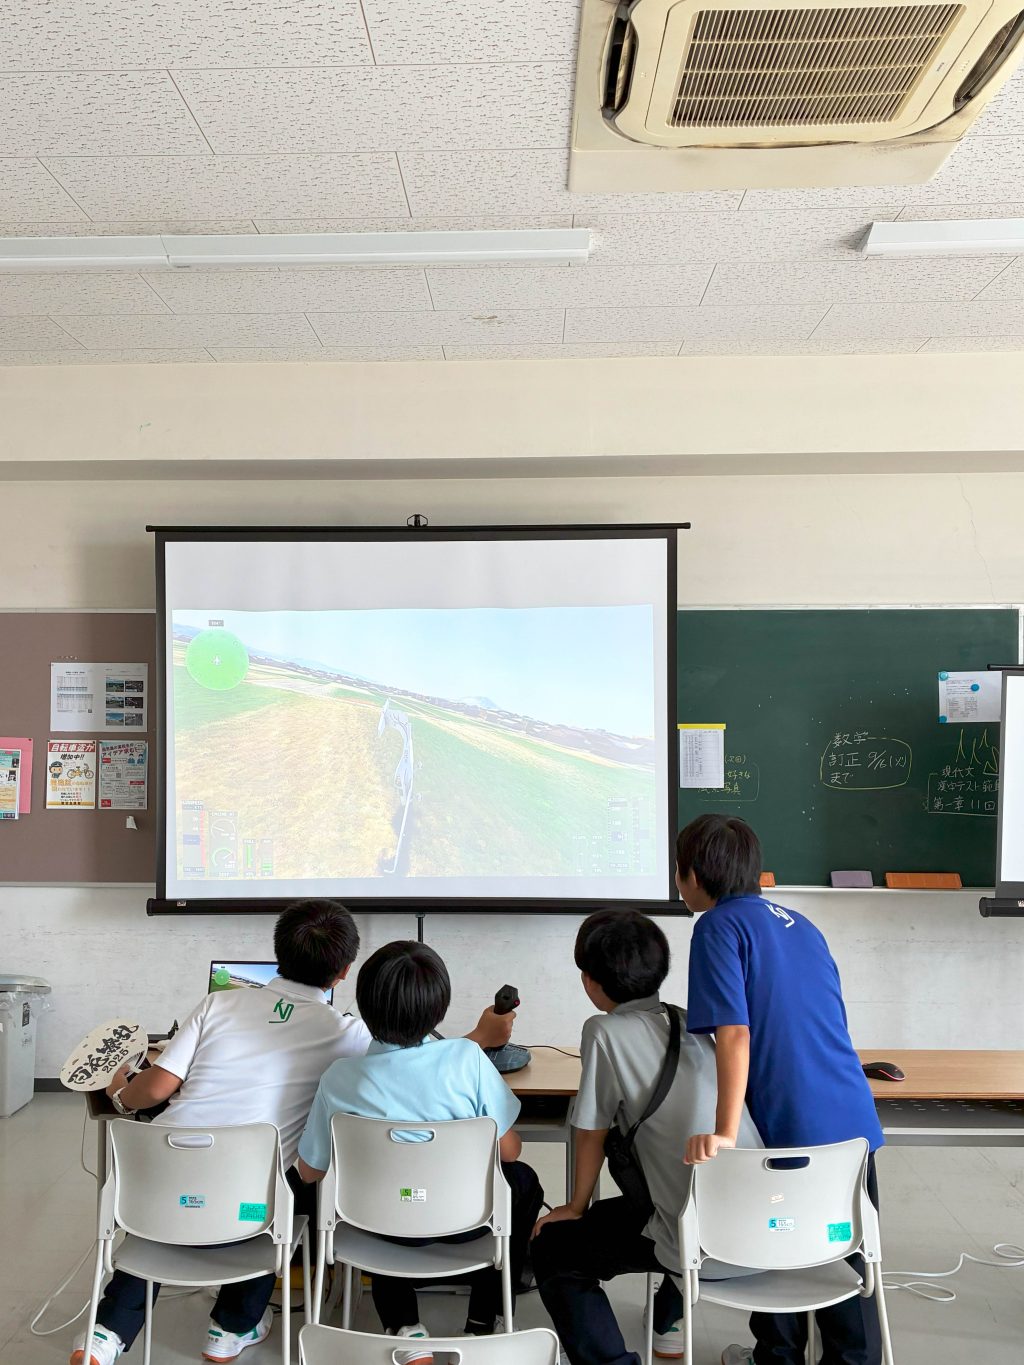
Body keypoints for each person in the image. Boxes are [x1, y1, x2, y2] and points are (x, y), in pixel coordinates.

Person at [72, 902, 514, 1365]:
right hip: (251, 1205)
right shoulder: (346, 1033)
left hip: (151, 1188)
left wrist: (120, 1093)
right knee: (297, 1181)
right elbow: (412, 1061)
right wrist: (479, 1040)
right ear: (344, 972)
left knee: (174, 1207)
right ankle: (230, 1327)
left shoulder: (218, 1004)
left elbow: (156, 1089)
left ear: (278, 952)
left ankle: (104, 1334)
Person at [678, 813, 885, 1365]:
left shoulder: (717, 927)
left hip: (791, 1123)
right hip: (851, 1118)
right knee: (847, 1257)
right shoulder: (802, 924)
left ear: (694, 873)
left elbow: (734, 1032)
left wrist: (725, 1132)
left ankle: (778, 1356)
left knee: (780, 1241)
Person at [530, 909, 761, 1365]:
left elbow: (591, 1129)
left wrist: (575, 1206)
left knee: (554, 1249)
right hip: (777, 1231)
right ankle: (669, 1324)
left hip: (700, 1244)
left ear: (589, 980)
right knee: (670, 1193)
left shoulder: (602, 1030)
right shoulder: (691, 1022)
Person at [297, 941, 544, 1362]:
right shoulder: (468, 1059)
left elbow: (308, 1172)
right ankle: (483, 1321)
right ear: (439, 1009)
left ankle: (404, 1326)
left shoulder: (339, 1077)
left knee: (378, 1193)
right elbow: (510, 1152)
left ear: (364, 1005)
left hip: (377, 1226)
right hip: (465, 1222)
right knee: (523, 1182)